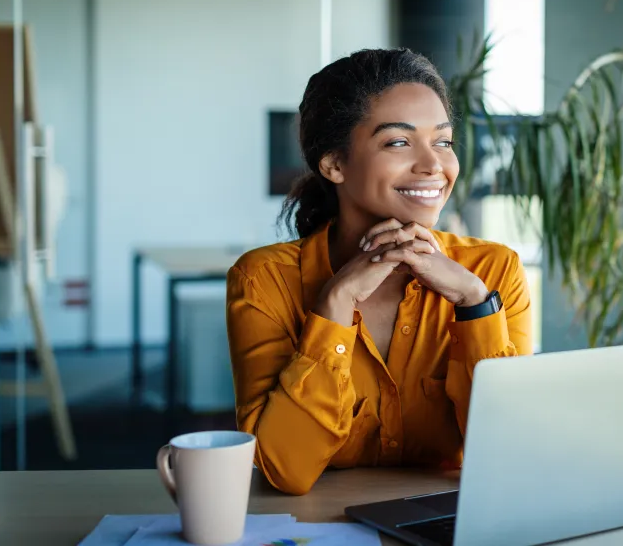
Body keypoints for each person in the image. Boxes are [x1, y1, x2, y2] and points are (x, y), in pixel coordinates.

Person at [226, 48, 532, 495]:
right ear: (333, 164)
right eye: (398, 142)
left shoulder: (491, 273)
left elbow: (512, 455)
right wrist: (333, 306)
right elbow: (284, 470)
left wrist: (474, 305)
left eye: (443, 142)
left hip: (450, 527)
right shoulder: (263, 280)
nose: (434, 166)